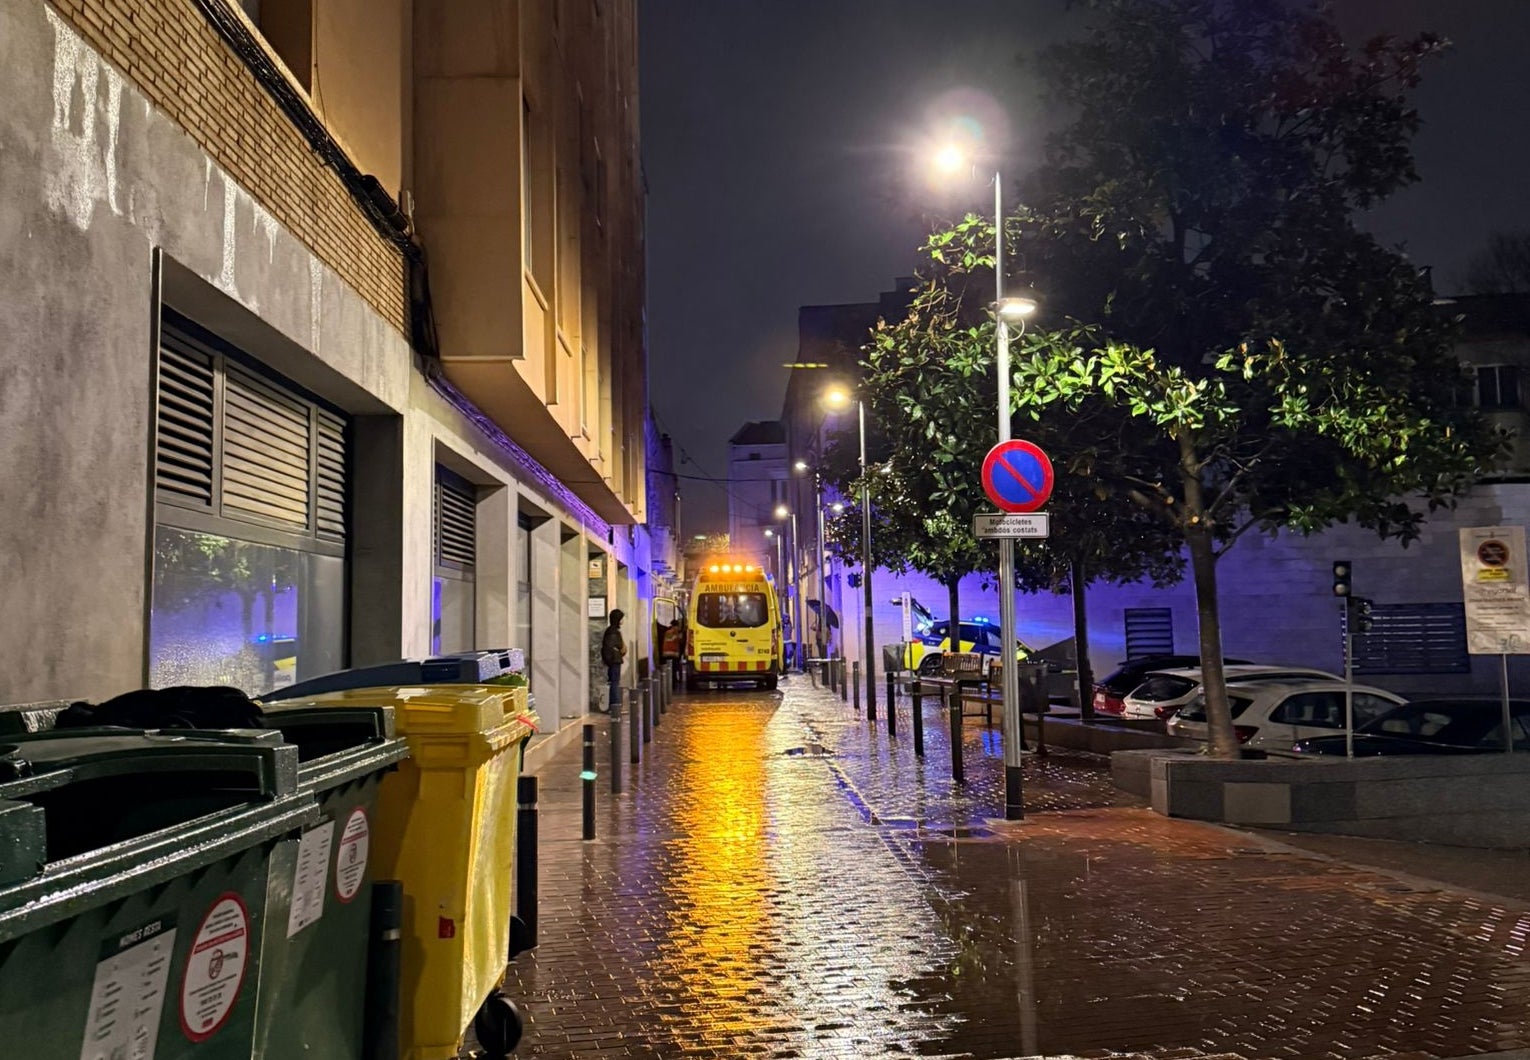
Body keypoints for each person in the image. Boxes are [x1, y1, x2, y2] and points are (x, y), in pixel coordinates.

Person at [601, 609, 627, 713]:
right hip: (614, 661)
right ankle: (614, 706)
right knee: (614, 683)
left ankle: (615, 706)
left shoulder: (612, 631)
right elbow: (619, 646)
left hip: (614, 660)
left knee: (615, 682)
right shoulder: (613, 632)